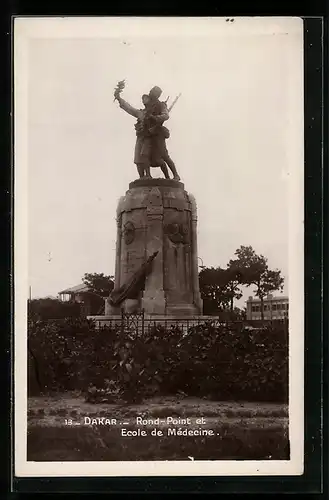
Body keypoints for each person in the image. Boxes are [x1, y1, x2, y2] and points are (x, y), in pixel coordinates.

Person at [114, 87, 169, 179]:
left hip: (151, 136)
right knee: (138, 158)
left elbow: (165, 115)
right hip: (140, 136)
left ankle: (150, 175)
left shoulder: (159, 106)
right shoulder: (142, 112)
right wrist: (119, 99)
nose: (144, 101)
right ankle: (142, 177)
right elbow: (130, 109)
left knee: (151, 156)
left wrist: (156, 118)